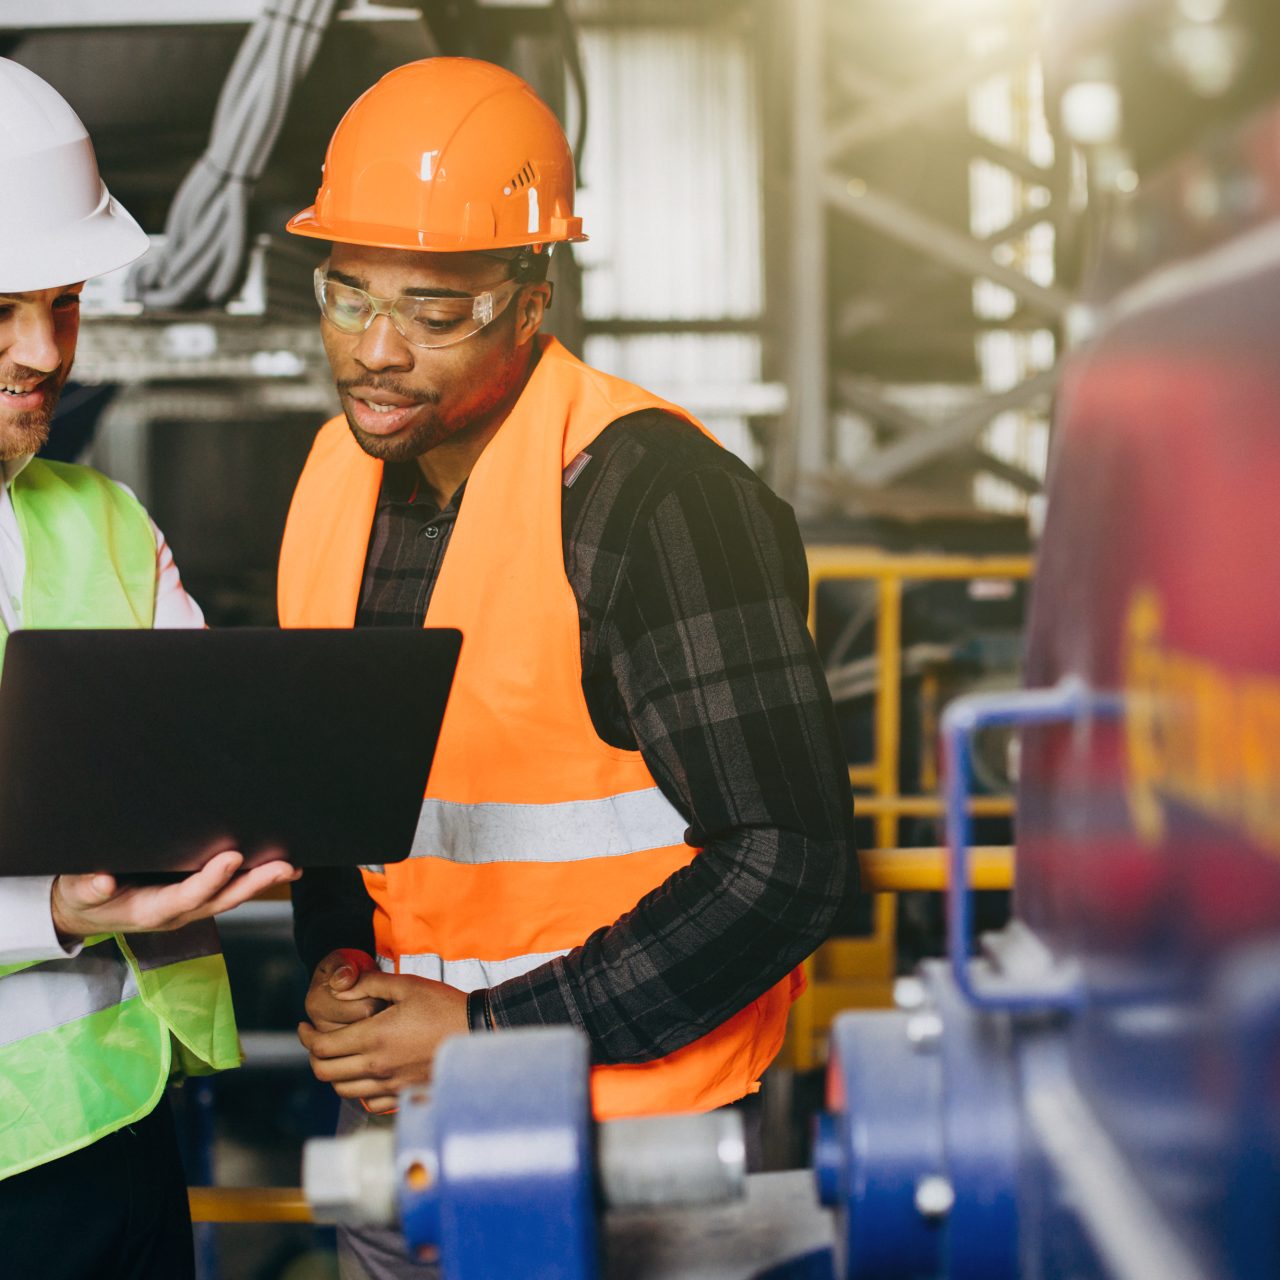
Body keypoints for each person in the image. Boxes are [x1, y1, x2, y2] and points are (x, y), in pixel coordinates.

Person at [279, 57, 856, 1276]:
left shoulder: (655, 501)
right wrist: (336, 960)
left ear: (529, 299)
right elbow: (344, 802)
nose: (377, 349)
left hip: (636, 1142)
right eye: (348, 296)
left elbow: (790, 859)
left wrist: (489, 1032)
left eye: (434, 312)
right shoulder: (334, 475)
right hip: (401, 1126)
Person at [0, 58, 299, 1280]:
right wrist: (50, 908)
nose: (42, 352)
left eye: (62, 303)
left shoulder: (104, 518)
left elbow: (206, 752)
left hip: (114, 1129)